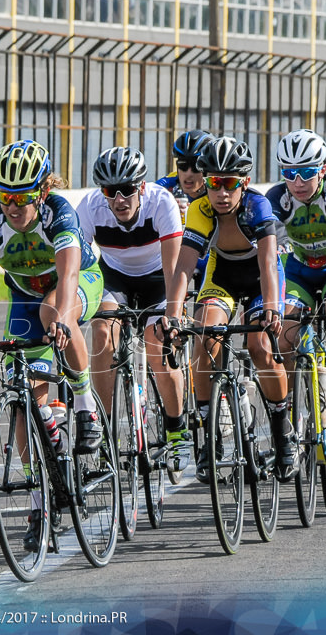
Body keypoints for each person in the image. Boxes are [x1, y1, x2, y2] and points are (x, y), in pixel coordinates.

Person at [0, 140, 105, 550]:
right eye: (3, 195)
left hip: (78, 285)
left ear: (41, 191)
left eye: (21, 196)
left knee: (51, 314)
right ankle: (41, 505)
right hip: (24, 296)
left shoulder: (58, 213)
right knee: (24, 398)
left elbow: (67, 277)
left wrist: (63, 318)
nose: (12, 205)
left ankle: (85, 405)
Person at [161, 136, 292, 483]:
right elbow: (184, 267)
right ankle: (210, 439)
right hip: (224, 277)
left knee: (260, 347)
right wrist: (173, 315)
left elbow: (268, 265)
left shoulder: (258, 206)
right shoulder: (201, 209)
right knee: (204, 336)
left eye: (229, 184)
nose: (220, 193)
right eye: (215, 183)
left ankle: (282, 433)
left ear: (244, 183)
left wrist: (272, 310)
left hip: (260, 278)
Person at [76, 146, 186, 456]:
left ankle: (176, 429)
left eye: (127, 190)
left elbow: (173, 269)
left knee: (157, 342)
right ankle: (105, 425)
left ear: (141, 186)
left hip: (158, 278)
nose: (119, 199)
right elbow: (75, 266)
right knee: (101, 333)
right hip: (114, 276)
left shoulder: (161, 203)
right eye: (111, 191)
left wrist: (174, 316)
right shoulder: (90, 207)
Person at [266, 128, 326, 459]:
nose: (297, 181)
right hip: (299, 270)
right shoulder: (276, 198)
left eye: (306, 172)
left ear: (323, 168)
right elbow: (271, 255)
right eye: (289, 172)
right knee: (283, 333)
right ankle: (293, 409)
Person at [155, 129, 213, 287]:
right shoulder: (166, 186)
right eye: (182, 165)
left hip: (209, 252)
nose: (188, 174)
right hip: (177, 251)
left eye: (195, 167)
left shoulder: (218, 187)